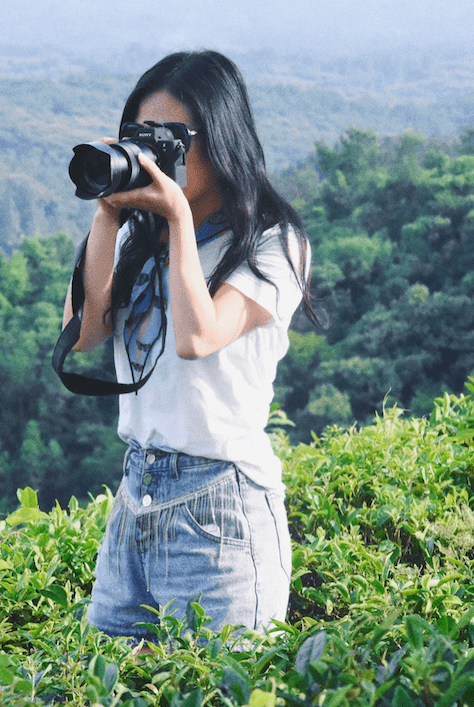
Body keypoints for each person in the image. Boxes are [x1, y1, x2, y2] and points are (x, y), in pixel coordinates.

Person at [63, 49, 321, 645]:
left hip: (220, 503)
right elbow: (81, 335)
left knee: (216, 690)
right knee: (111, 686)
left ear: (223, 138)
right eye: (140, 138)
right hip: (135, 495)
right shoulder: (135, 236)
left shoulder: (274, 244)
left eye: (171, 139)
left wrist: (177, 220)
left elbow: (197, 337)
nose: (153, 154)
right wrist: (107, 219)